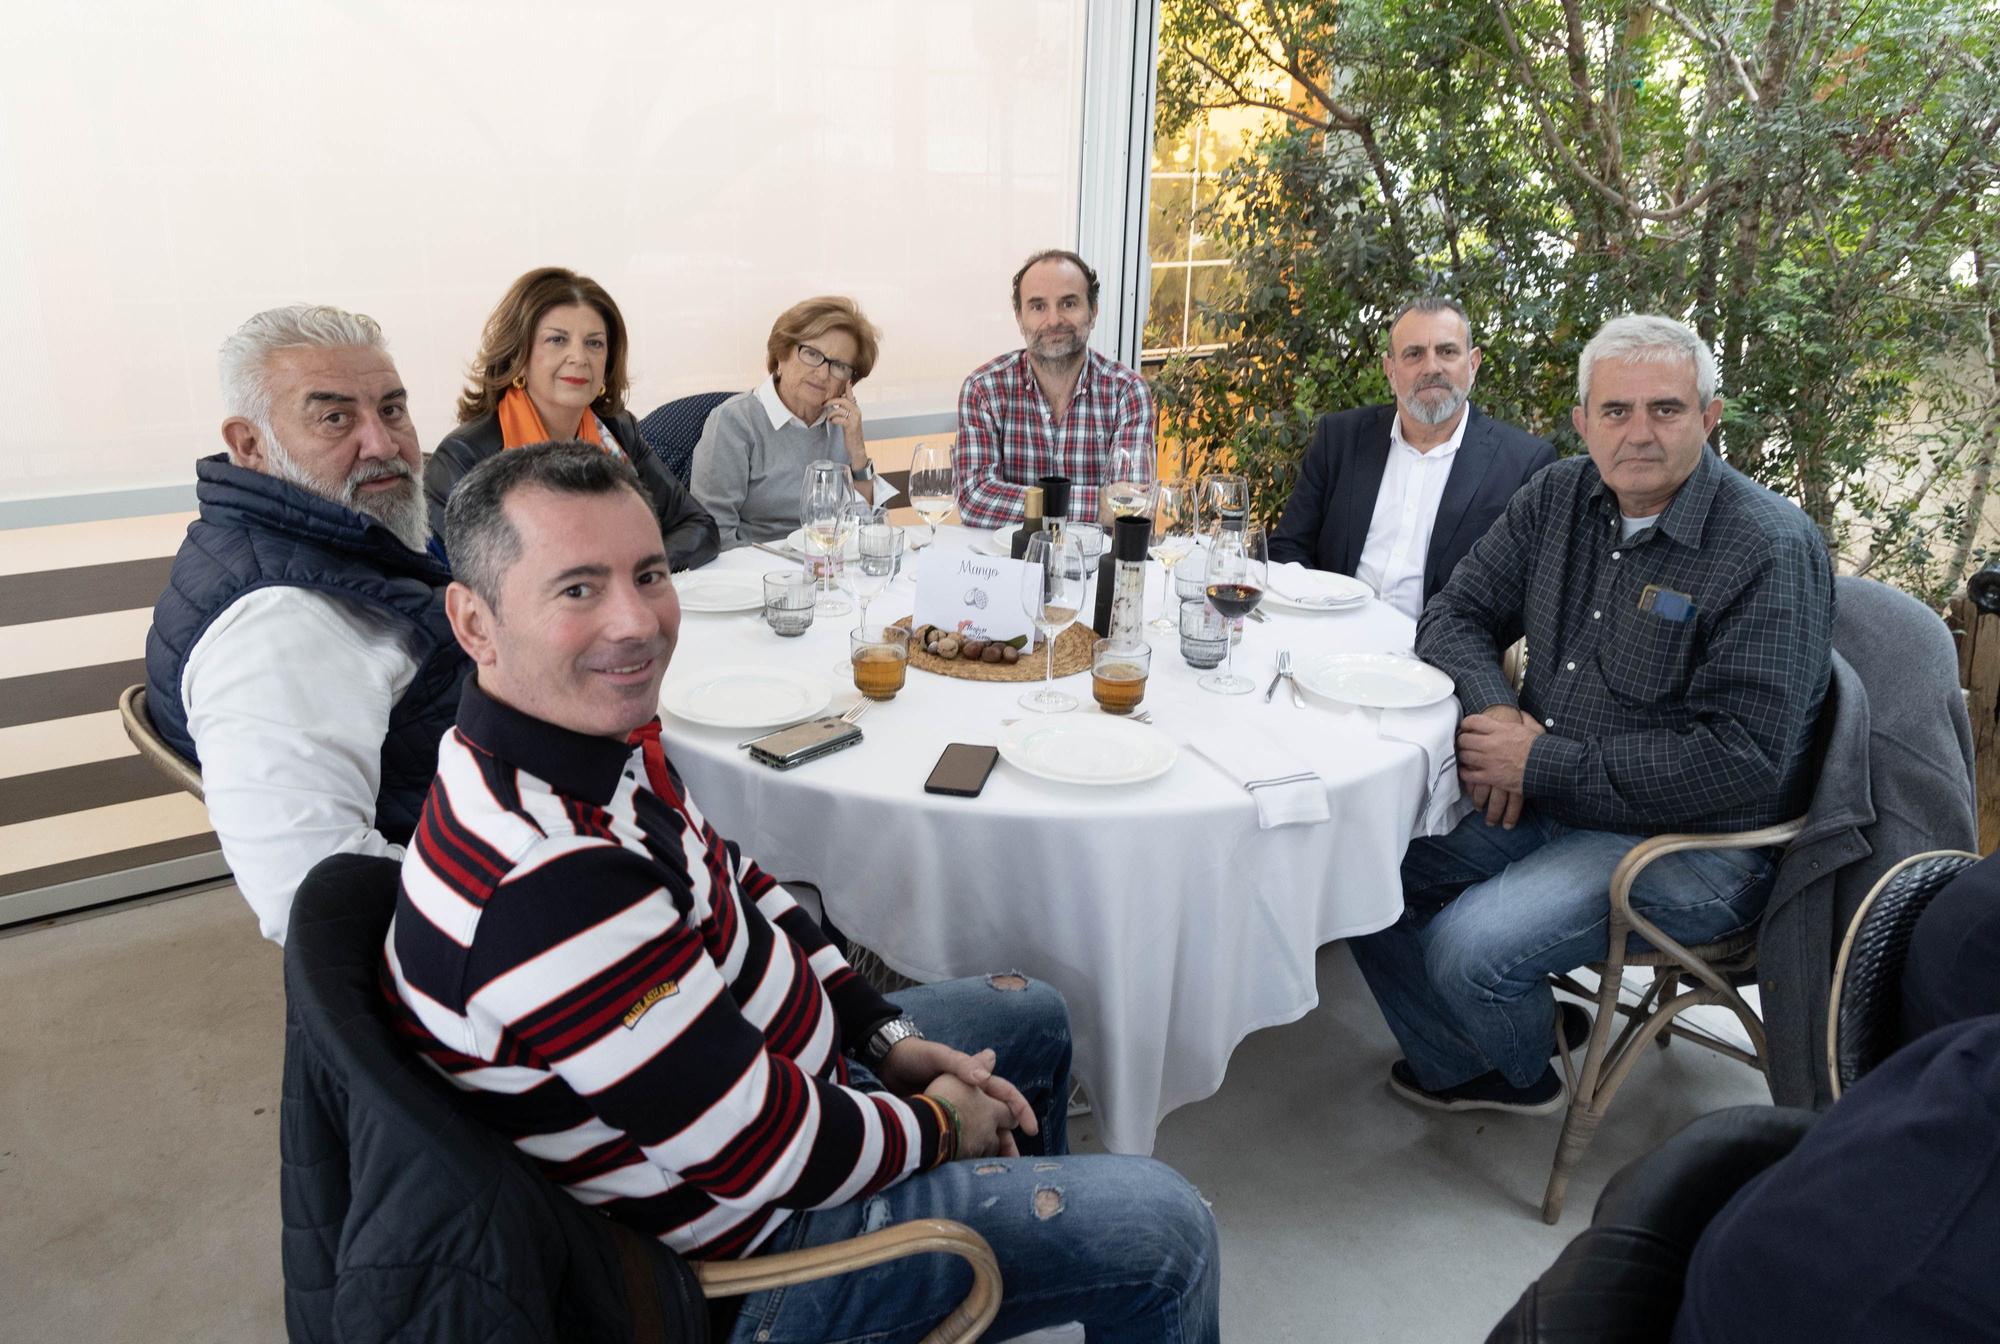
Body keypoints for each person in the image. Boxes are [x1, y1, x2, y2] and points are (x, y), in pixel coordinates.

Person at [386, 443, 1219, 1343]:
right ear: (474, 622)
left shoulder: (579, 749)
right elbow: (761, 1148)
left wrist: (884, 1036)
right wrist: (940, 1124)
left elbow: (739, 884)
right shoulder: (546, 883)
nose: (636, 622)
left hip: (785, 1096)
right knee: (1166, 1227)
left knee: (1037, 1016)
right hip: (765, 1254)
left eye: (649, 573)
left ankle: (1020, 1268)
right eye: (578, 588)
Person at [1349, 314, 1836, 1114]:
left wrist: (1539, 764)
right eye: (1615, 411)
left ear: (1709, 418)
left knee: (1469, 953)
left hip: (1695, 845)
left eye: (1666, 410)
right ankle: (1476, 1056)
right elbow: (1455, 616)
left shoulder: (1768, 547)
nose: (1637, 433)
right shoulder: (1561, 495)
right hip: (1555, 798)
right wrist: (1500, 717)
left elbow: (1743, 758)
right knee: (1359, 870)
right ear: (1582, 422)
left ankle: (1511, 1051)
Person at [144, 305, 470, 945]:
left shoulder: (328, 541)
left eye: (392, 410)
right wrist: (542, 910)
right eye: (335, 418)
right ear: (250, 445)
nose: (383, 445)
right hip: (477, 919)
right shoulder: (277, 629)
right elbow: (312, 894)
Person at [1269, 297, 1556, 621]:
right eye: (1414, 353)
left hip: (1438, 657)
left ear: (1473, 364)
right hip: (1330, 638)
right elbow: (1287, 549)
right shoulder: (1340, 439)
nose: (1431, 367)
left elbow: (1524, 599)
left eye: (1447, 351)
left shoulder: (1523, 465)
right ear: (1390, 370)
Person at [426, 266, 718, 570]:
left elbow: (698, 527)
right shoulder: (464, 456)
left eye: (594, 343)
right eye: (557, 340)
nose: (579, 357)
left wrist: (632, 574)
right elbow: (475, 582)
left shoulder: (617, 430)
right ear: (518, 357)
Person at [955, 249, 1156, 528]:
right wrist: (1098, 504)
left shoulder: (1128, 392)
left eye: (1069, 303)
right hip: (1010, 565)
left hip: (1095, 568)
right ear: (1019, 316)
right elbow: (974, 498)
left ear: (1093, 311)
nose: (1053, 320)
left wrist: (1034, 505)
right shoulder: (984, 390)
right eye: (1038, 306)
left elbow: (1133, 505)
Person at [689, 295, 895, 548]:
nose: (821, 373)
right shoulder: (734, 422)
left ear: (849, 381)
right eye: (811, 353)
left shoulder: (841, 423)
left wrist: (858, 452)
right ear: (781, 355)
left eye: (839, 366)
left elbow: (870, 531)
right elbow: (715, 535)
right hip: (758, 574)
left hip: (829, 570)